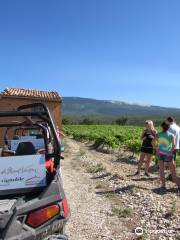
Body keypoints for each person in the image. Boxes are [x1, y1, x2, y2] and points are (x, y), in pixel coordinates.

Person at [157, 121, 180, 192]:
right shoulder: (171, 135)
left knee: (161, 171)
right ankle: (179, 186)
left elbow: (153, 142)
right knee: (173, 172)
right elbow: (174, 146)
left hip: (161, 154)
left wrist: (157, 149)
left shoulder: (158, 134)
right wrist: (170, 152)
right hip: (169, 154)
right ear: (169, 127)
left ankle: (163, 186)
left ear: (161, 127)